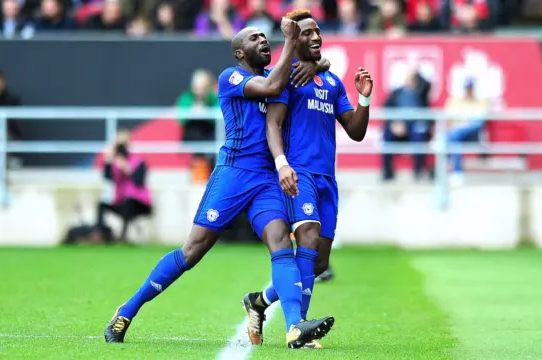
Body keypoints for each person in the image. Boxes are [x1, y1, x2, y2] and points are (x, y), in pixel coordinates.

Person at [104, 20, 335, 349]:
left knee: (281, 242)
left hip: (267, 178)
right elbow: (270, 86)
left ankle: (294, 326)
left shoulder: (281, 79)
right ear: (241, 52)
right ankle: (127, 310)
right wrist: (290, 42)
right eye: (255, 38)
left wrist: (314, 60)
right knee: (193, 251)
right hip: (233, 173)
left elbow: (295, 75)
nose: (263, 41)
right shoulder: (232, 77)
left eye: (265, 37)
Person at [242, 9, 373, 349]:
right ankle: (298, 329)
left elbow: (356, 132)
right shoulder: (284, 78)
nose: (316, 37)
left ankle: (259, 301)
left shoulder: (330, 81)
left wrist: (364, 98)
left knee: (320, 261)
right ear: (293, 40)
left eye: (318, 32)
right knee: (309, 241)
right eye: (307, 33)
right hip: (300, 173)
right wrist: (283, 163)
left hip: (328, 177)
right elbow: (272, 122)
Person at [95, 131, 152, 243]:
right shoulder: (115, 162)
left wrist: (126, 168)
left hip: (140, 203)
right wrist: (108, 161)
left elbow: (139, 180)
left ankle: (123, 237)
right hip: (121, 201)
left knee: (128, 203)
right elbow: (107, 177)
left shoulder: (138, 161)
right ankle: (101, 235)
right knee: (102, 205)